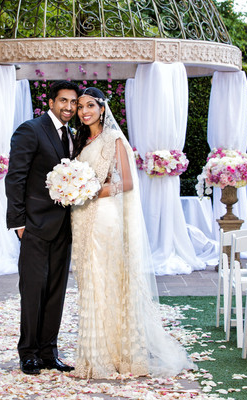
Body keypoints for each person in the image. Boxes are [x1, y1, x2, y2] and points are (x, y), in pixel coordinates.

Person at [71, 87, 195, 379]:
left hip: (103, 217)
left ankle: (116, 355)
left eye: (90, 105)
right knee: (90, 283)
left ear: (102, 109)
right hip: (81, 217)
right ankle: (94, 355)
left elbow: (126, 183)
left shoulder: (113, 139)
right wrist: (73, 190)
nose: (84, 111)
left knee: (106, 282)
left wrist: (88, 191)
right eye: (80, 107)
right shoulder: (79, 140)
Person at [5, 80, 80, 375]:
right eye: (63, 101)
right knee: (33, 290)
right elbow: (16, 178)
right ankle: (29, 353)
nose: (69, 107)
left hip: (63, 226)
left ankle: (49, 352)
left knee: (55, 291)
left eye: (73, 103)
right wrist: (19, 222)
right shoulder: (30, 129)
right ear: (50, 102)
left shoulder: (71, 135)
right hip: (35, 225)